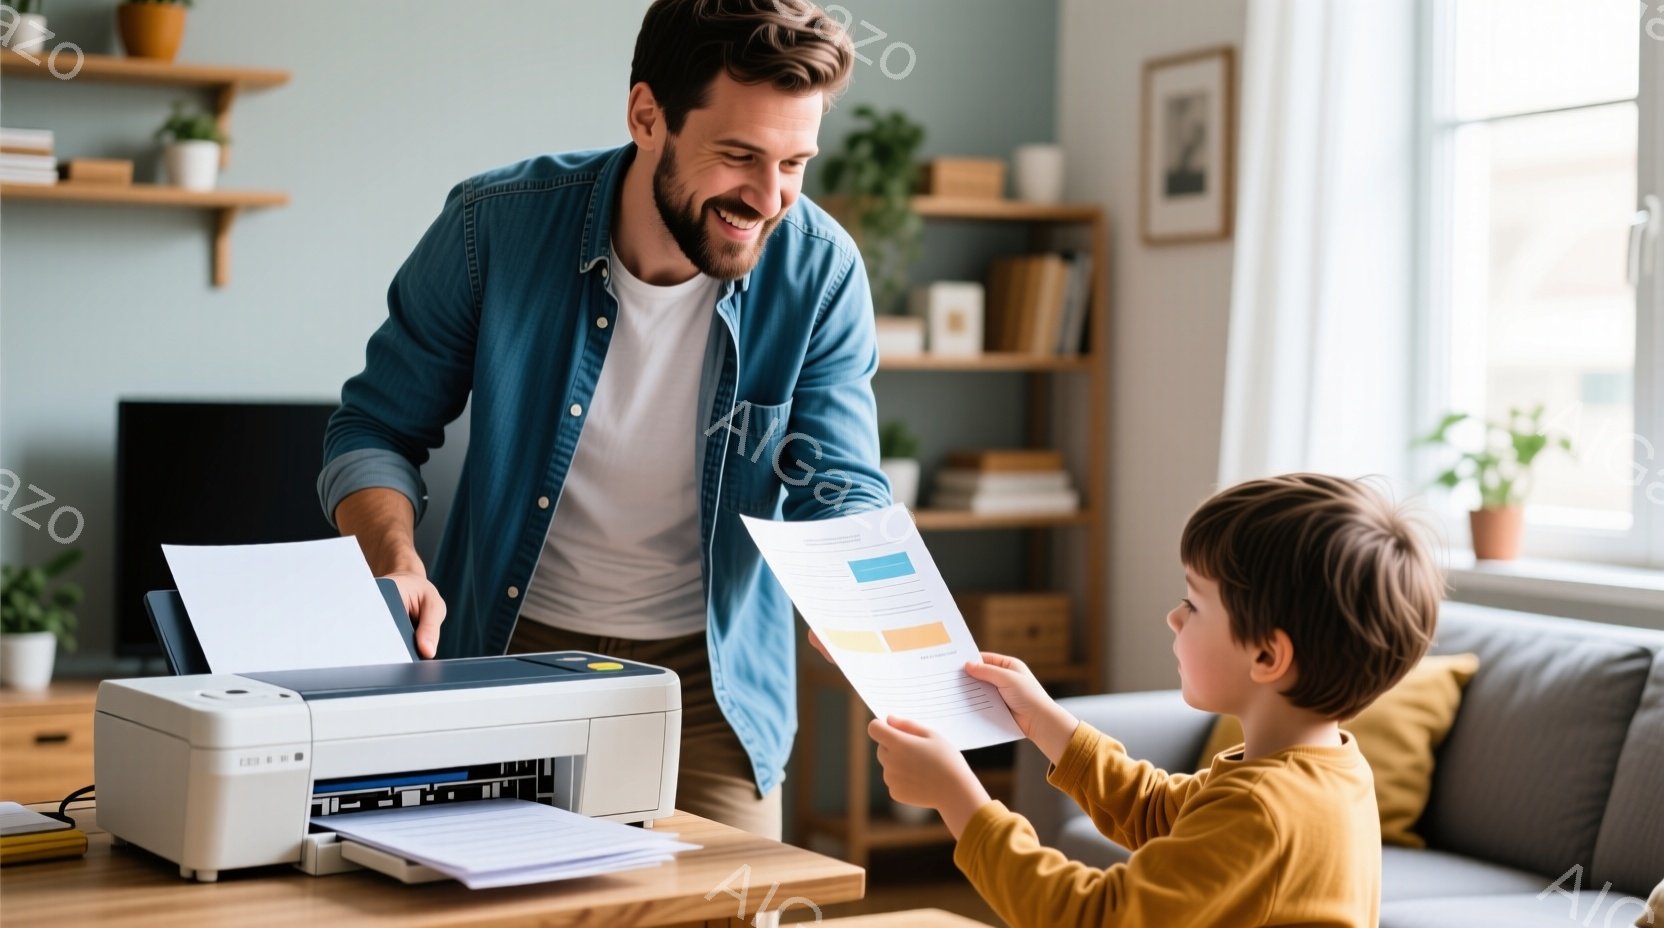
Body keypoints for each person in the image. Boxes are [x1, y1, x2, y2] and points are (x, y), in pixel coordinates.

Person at [317, 0, 888, 840]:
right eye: (739, 156)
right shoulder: (492, 228)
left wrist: (859, 599)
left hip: (711, 679)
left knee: (728, 904)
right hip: (513, 652)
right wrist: (394, 561)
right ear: (647, 116)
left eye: (794, 163)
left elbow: (841, 485)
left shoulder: (821, 270)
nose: (768, 199)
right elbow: (374, 429)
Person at [869, 473, 1445, 926]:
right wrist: (1045, 721)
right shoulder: (1322, 772)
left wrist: (960, 799)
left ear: (1268, 657)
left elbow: (1092, 917)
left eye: (1193, 604)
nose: (1173, 616)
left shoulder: (1265, 811)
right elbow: (1160, 813)